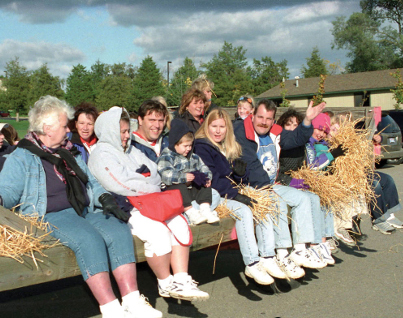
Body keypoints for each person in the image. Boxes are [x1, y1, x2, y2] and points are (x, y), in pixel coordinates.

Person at [0, 96, 161, 318]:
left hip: (83, 210)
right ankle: (111, 308)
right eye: (65, 125)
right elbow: (7, 192)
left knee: (118, 228)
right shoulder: (22, 157)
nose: (69, 130)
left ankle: (132, 300)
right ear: (47, 128)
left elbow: (91, 182)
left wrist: (105, 199)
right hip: (50, 215)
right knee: (89, 239)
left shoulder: (68, 151)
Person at [88, 106, 210, 303]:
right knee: (157, 232)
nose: (127, 136)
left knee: (179, 222)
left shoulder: (130, 150)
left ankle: (181, 278)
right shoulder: (101, 154)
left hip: (149, 201)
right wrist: (144, 180)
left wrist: (141, 179)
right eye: (123, 132)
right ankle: (165, 281)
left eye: (128, 131)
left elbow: (155, 173)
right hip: (127, 207)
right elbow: (119, 184)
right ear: (111, 131)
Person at [194, 108, 303, 282]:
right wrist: (236, 194)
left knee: (263, 200)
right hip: (210, 196)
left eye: (222, 126)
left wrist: (239, 173)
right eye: (214, 126)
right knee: (244, 211)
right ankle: (252, 263)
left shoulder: (226, 146)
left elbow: (233, 178)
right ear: (207, 126)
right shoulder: (202, 147)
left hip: (228, 192)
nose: (218, 130)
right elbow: (212, 180)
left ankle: (268, 256)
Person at [234, 99, 328, 270]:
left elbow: (294, 139)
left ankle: (299, 250)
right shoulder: (242, 132)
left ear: (273, 119)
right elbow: (250, 164)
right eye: (260, 117)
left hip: (270, 184)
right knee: (278, 203)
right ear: (252, 114)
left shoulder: (274, 131)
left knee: (303, 199)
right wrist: (271, 188)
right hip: (251, 187)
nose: (264, 122)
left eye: (269, 119)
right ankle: (282, 253)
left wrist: (307, 121)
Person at [276, 110, 337, 260]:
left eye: (295, 125)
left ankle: (317, 244)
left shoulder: (303, 145)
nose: (291, 128)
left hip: (295, 183)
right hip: (281, 183)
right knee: (303, 199)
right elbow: (275, 171)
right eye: (288, 125)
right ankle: (298, 247)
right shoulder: (279, 143)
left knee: (316, 197)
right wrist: (292, 182)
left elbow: (309, 166)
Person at [156, 118, 220, 225]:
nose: (189, 149)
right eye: (185, 146)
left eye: (190, 145)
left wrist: (206, 177)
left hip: (190, 190)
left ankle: (205, 209)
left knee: (204, 185)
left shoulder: (193, 157)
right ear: (175, 144)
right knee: (180, 187)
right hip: (173, 191)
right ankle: (191, 213)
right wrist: (183, 177)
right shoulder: (167, 156)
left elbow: (204, 168)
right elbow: (165, 174)